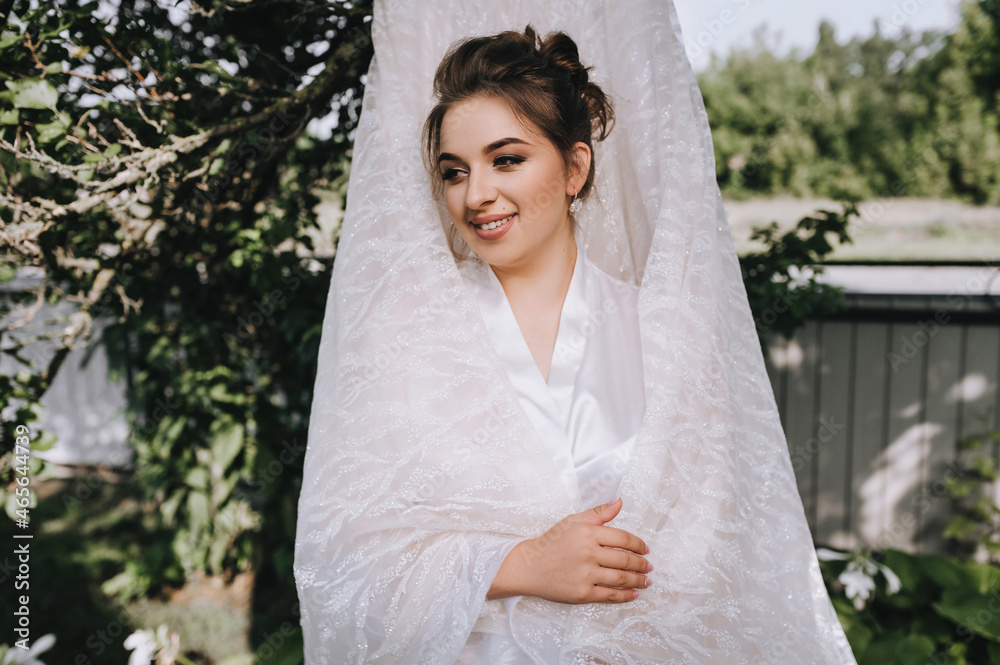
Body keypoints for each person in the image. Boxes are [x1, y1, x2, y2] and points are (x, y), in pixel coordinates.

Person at [294, 1, 859, 663]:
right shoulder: (408, 346)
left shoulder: (660, 338)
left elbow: (728, 558)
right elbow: (340, 570)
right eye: (454, 170)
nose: (475, 194)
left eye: (506, 160)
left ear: (574, 169)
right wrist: (517, 562)